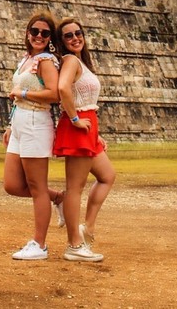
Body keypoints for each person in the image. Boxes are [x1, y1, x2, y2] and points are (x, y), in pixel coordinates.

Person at [52, 17, 116, 262]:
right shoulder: (69, 60)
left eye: (78, 33)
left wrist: (95, 132)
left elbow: (82, 97)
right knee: (74, 189)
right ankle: (74, 246)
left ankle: (86, 228)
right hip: (78, 126)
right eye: (68, 35)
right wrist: (75, 118)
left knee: (107, 176)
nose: (75, 38)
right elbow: (63, 89)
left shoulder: (80, 62)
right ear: (62, 41)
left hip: (88, 127)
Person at [3, 11, 65, 260]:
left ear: (50, 37)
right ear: (27, 33)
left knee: (37, 187)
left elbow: (54, 94)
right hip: (20, 122)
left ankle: (39, 244)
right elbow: (18, 93)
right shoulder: (26, 58)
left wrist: (24, 94)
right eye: (34, 31)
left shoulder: (47, 61)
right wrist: (10, 125)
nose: (39, 36)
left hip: (35, 122)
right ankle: (58, 197)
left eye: (45, 33)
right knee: (12, 185)